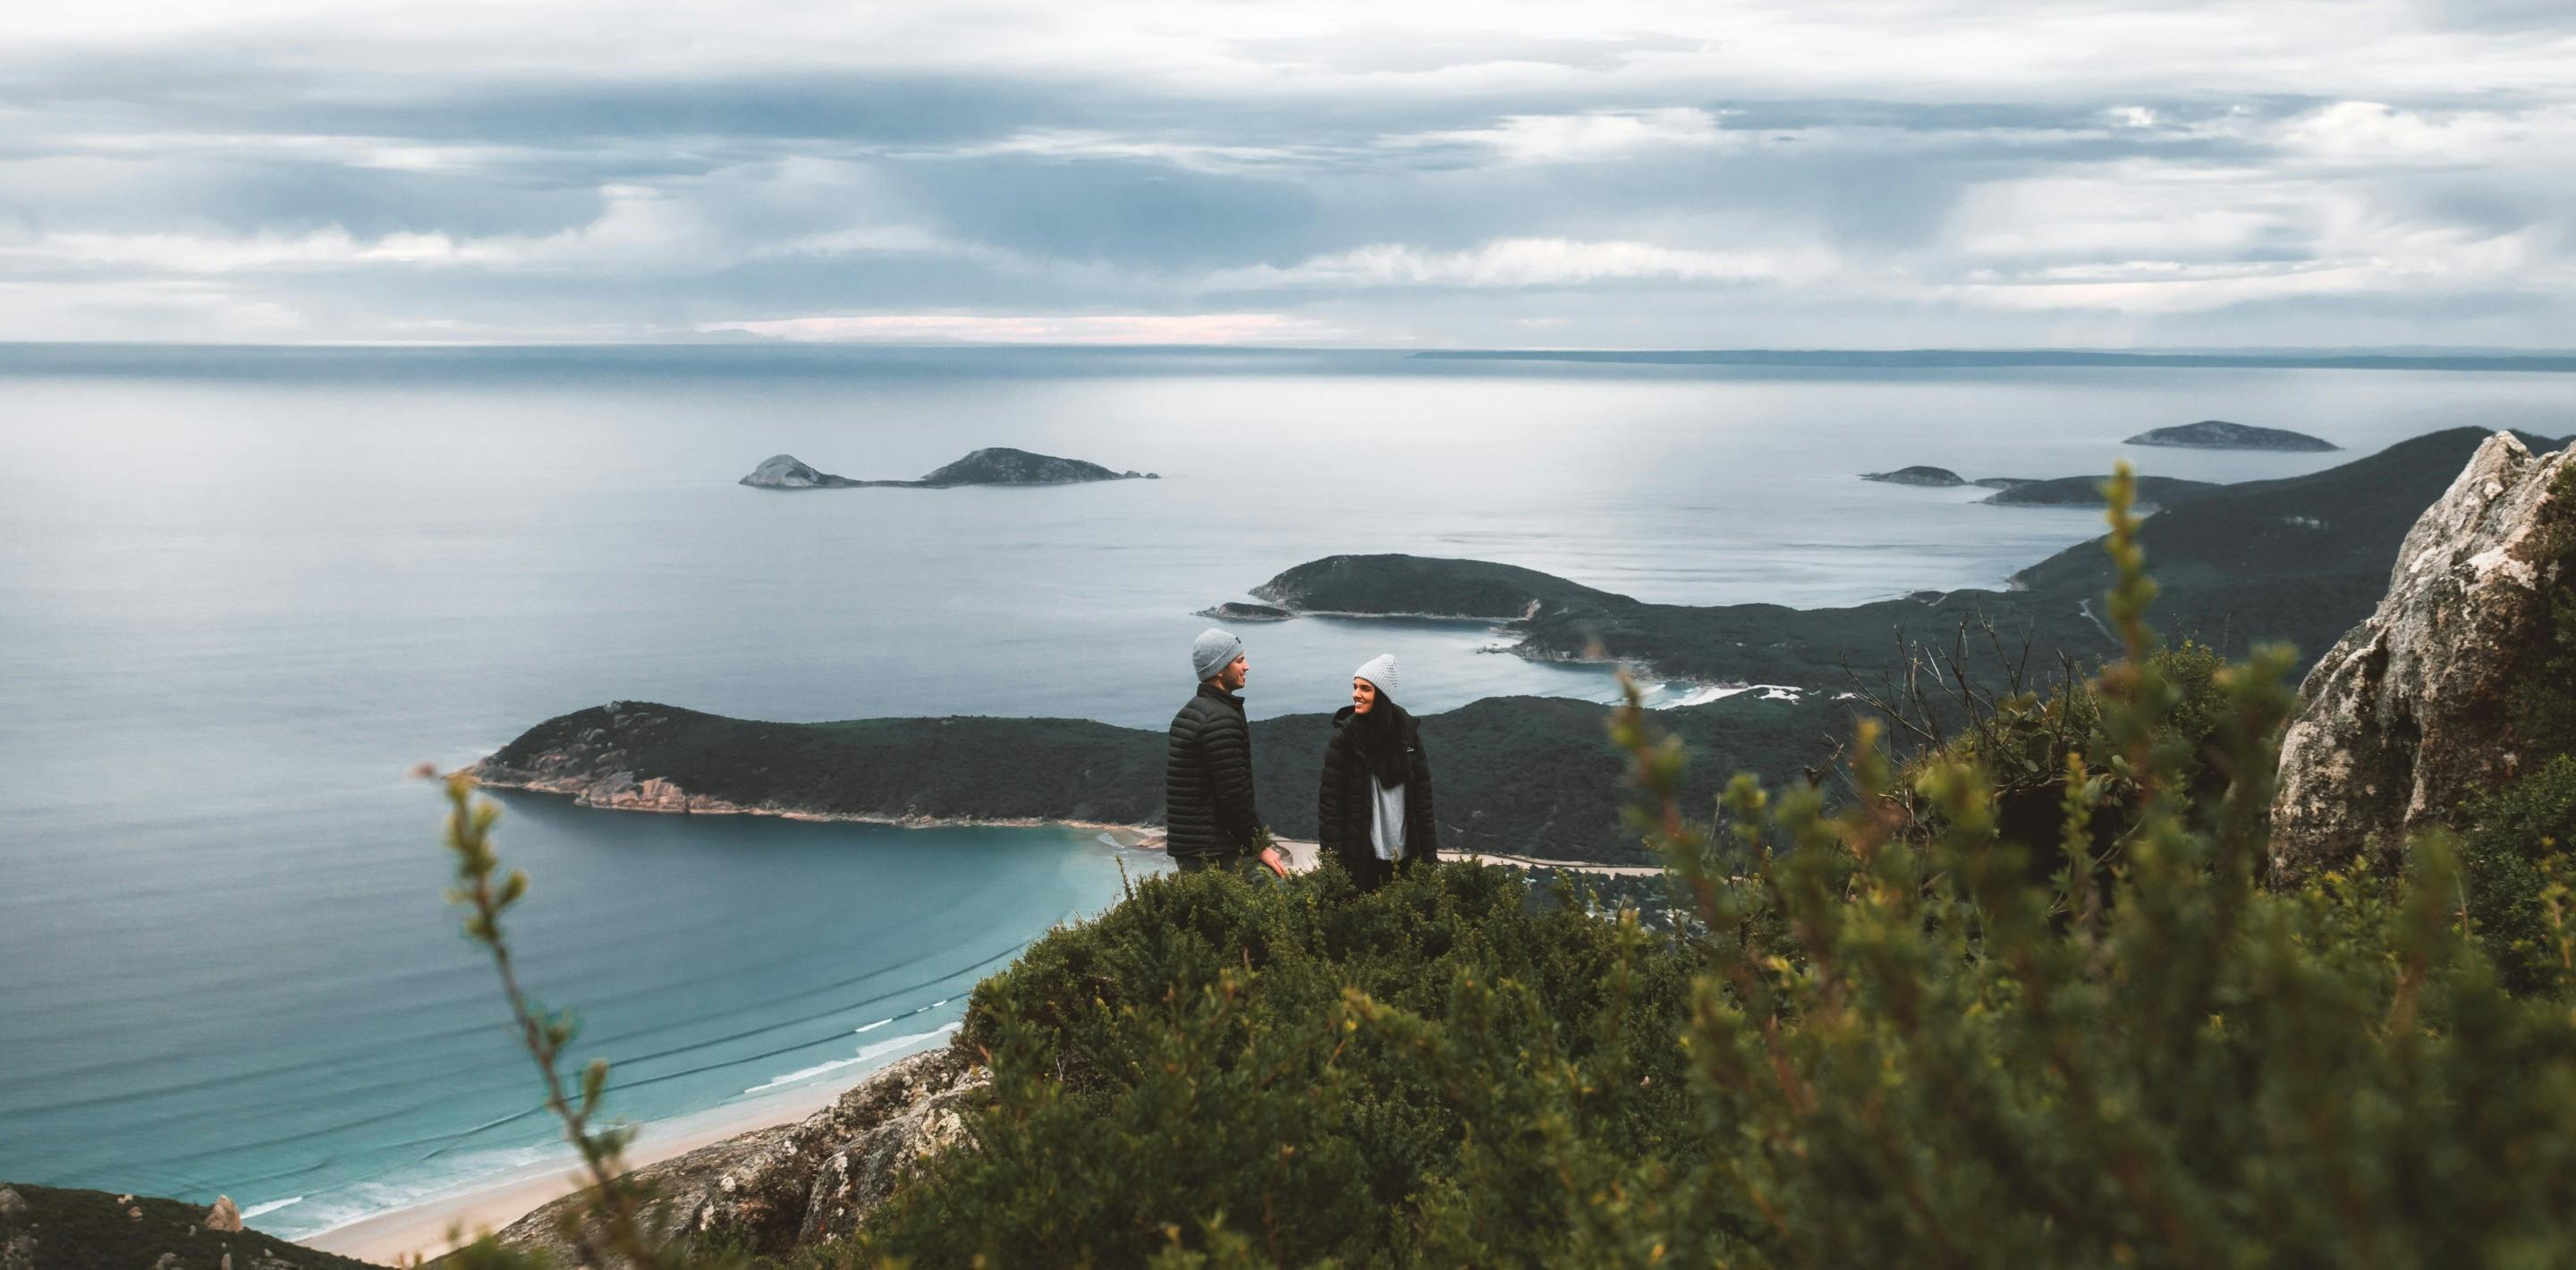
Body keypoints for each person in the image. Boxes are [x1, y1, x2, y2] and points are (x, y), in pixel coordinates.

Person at [1165, 628, 1287, 877]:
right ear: (1219, 669)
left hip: (1192, 848)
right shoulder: (1220, 719)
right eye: (1240, 660)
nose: (1247, 666)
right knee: (1276, 893)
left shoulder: (1190, 712)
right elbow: (1233, 795)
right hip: (1215, 852)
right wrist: (1259, 846)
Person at [1317, 654, 1437, 890]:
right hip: (1361, 858)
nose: (1355, 694)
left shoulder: (1408, 737)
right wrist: (1333, 868)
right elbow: (1330, 808)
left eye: (1365, 688)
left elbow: (1423, 804)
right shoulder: (1344, 739)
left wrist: (1429, 863)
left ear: (1381, 695)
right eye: (1355, 687)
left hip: (1407, 858)